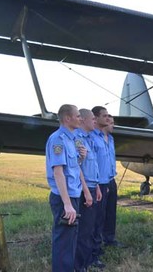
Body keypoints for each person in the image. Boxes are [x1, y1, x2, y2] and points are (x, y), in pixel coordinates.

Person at [46, 104, 90, 271]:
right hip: (64, 197)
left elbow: (71, 168)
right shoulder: (58, 139)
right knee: (64, 241)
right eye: (78, 116)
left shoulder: (72, 139)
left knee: (71, 239)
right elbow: (58, 172)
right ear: (67, 118)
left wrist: (81, 158)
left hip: (73, 194)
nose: (80, 118)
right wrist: (67, 204)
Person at [74, 109, 104, 271]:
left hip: (93, 187)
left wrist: (97, 186)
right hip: (84, 190)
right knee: (84, 230)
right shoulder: (78, 140)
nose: (95, 121)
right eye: (93, 119)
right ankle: (80, 266)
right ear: (84, 120)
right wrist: (86, 191)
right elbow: (77, 169)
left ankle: (88, 260)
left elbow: (93, 167)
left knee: (90, 227)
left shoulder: (89, 139)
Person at [91, 106, 124, 251]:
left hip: (111, 180)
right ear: (96, 118)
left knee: (111, 212)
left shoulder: (110, 138)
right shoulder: (91, 137)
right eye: (105, 116)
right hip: (99, 183)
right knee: (98, 215)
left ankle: (109, 238)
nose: (108, 119)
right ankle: (95, 245)